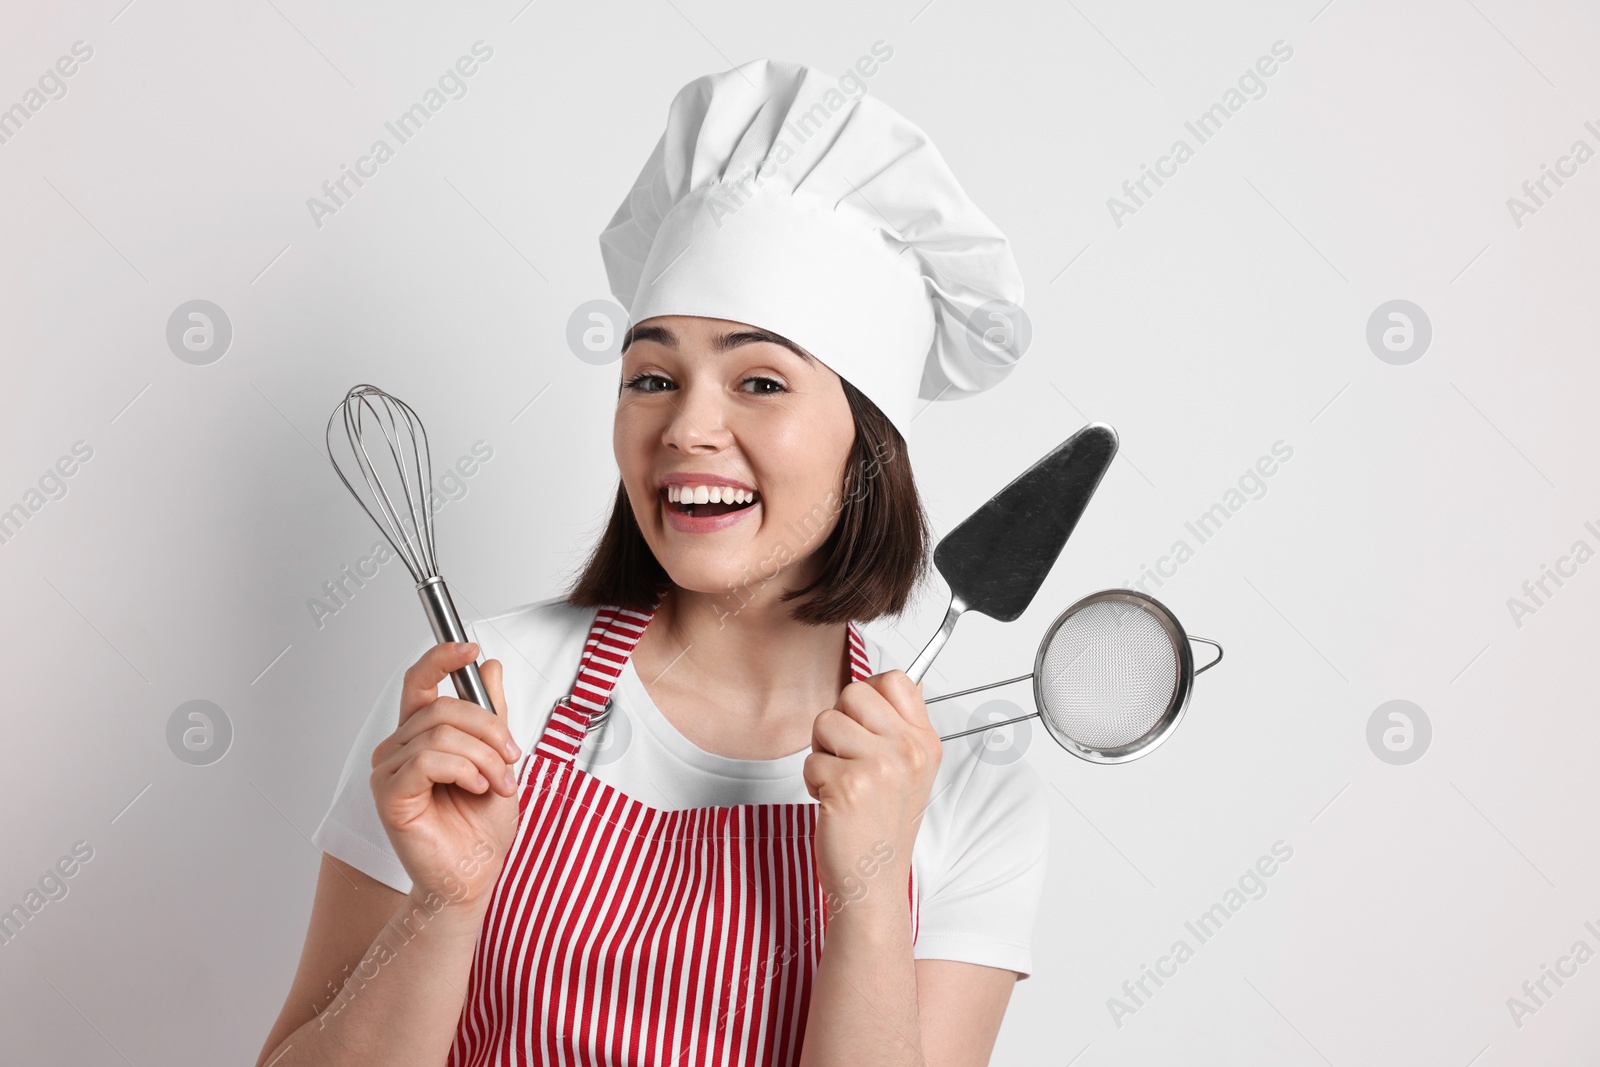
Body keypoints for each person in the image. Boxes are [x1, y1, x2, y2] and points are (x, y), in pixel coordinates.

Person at [257, 57, 1048, 1067]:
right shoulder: (483, 695)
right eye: (651, 375)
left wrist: (871, 884)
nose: (687, 426)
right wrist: (445, 904)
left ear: (868, 442)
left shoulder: (965, 786)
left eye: (759, 380)